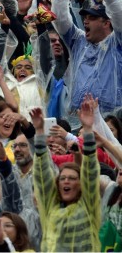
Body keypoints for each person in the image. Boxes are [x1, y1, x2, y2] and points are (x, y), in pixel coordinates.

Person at [53, 0, 122, 115]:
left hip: (112, 121)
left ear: (107, 22)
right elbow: (59, 18)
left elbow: (117, 11)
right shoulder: (78, 41)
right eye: (85, 17)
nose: (85, 21)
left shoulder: (117, 42)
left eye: (92, 17)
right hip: (79, 120)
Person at [30, 96, 100, 251]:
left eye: (72, 178)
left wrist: (88, 130)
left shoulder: (88, 205)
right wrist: (40, 132)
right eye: (62, 179)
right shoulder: (50, 208)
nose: (66, 181)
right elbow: (42, 175)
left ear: (81, 184)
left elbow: (90, 172)